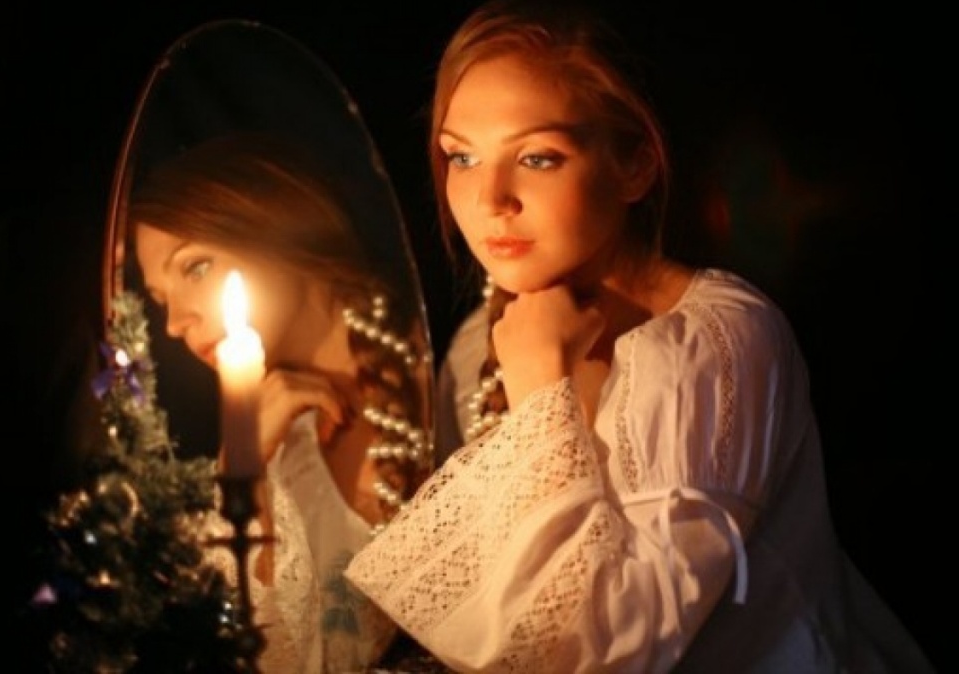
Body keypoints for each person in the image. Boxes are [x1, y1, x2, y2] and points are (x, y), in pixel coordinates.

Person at [344, 1, 936, 672]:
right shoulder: (480, 341)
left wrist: (541, 388)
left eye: (537, 158)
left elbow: (617, 650)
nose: (490, 200)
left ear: (635, 165)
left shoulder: (714, 343)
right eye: (462, 156)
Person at [130, 132, 437, 673]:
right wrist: (242, 471)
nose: (175, 323)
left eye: (195, 267)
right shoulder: (275, 443)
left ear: (275, 225)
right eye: (159, 301)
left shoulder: (452, 356)